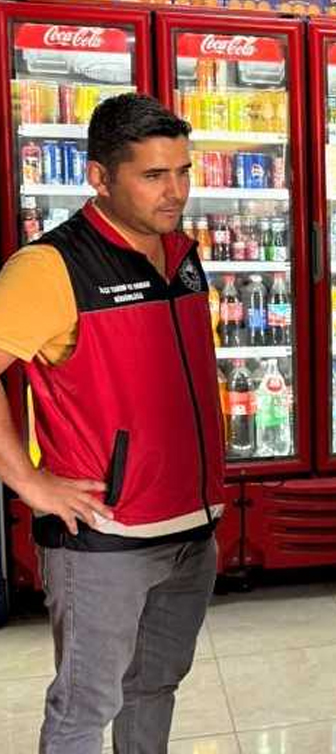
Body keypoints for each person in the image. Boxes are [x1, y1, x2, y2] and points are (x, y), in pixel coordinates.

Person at [0, 94, 224, 753]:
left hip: (193, 528)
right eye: (153, 175)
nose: (175, 192)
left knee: (156, 687)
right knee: (84, 708)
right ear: (99, 177)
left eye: (182, 171)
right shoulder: (50, 267)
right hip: (105, 541)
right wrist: (28, 480)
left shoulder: (180, 253)